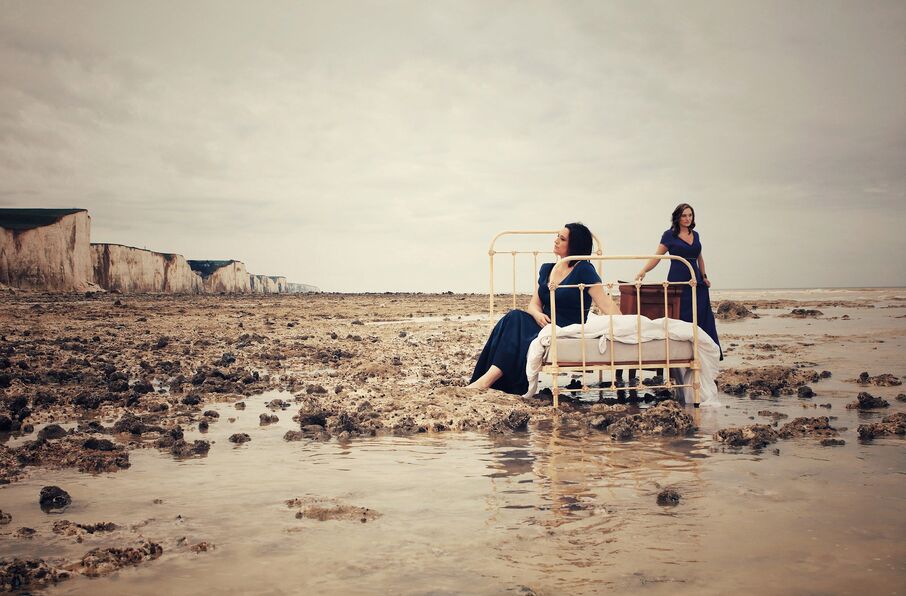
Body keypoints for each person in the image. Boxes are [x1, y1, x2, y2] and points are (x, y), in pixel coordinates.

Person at [469, 222, 621, 394]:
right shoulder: (548, 269)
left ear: (575, 245)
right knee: (513, 318)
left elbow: (605, 303)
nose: (556, 241)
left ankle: (486, 381)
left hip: (564, 326)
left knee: (515, 320)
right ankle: (488, 381)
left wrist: (627, 324)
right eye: (557, 236)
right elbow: (534, 304)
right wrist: (537, 315)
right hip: (543, 323)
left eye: (562, 239)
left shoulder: (584, 269)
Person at [635, 203, 722, 359]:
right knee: (680, 318)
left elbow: (700, 259)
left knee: (702, 318)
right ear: (677, 217)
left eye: (690, 215)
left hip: (696, 283)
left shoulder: (696, 235)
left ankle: (705, 355)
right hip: (678, 283)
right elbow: (657, 256)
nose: (688, 218)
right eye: (684, 216)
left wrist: (704, 277)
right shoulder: (669, 235)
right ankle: (680, 356)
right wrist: (644, 271)